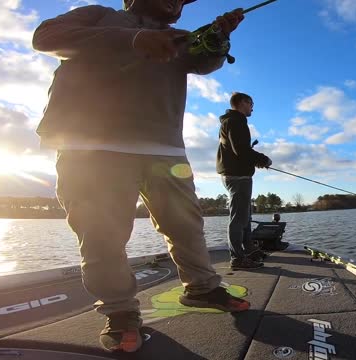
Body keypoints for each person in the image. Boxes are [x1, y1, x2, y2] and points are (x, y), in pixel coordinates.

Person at [32, 0, 248, 353]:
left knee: (186, 225)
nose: (178, 2)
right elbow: (45, 37)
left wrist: (220, 38)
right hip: (89, 146)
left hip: (165, 149)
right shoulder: (99, 15)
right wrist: (133, 39)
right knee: (102, 233)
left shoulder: (178, 36)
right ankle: (119, 312)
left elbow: (205, 61)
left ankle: (202, 288)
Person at [216, 92, 272, 269]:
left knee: (245, 216)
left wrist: (254, 160)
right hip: (237, 177)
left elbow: (238, 151)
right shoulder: (235, 121)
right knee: (239, 218)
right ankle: (237, 258)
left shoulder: (232, 121)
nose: (252, 107)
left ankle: (248, 250)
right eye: (251, 103)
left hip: (238, 175)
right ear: (241, 103)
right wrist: (263, 159)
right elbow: (240, 149)